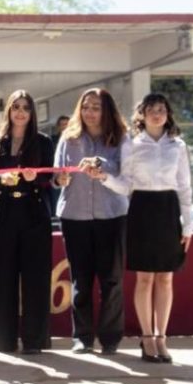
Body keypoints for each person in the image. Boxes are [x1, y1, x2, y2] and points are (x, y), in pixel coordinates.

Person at [88, 93, 192, 364]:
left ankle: (162, 337)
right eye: (151, 110)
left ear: (168, 114)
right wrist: (104, 177)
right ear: (142, 115)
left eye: (161, 110)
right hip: (142, 209)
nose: (157, 114)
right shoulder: (131, 145)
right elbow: (125, 185)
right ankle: (147, 338)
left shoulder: (178, 145)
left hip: (169, 209)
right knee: (145, 278)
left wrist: (188, 225)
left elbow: (184, 187)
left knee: (166, 278)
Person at [54, 88, 129, 355]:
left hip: (112, 215)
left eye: (96, 107)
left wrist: (102, 168)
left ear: (107, 110)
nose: (90, 112)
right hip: (75, 216)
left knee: (112, 280)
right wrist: (60, 178)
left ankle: (110, 338)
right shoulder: (69, 137)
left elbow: (126, 176)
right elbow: (57, 174)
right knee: (81, 280)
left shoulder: (121, 138)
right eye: (86, 107)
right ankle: (82, 338)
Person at [0, 90, 54, 354]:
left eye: (25, 107)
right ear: (9, 111)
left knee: (36, 279)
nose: (21, 112)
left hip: (34, 213)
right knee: (3, 279)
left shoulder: (43, 141)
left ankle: (35, 341)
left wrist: (35, 177)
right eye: (16, 107)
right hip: (3, 214)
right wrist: (0, 178)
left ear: (32, 112)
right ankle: (4, 340)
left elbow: (50, 176)